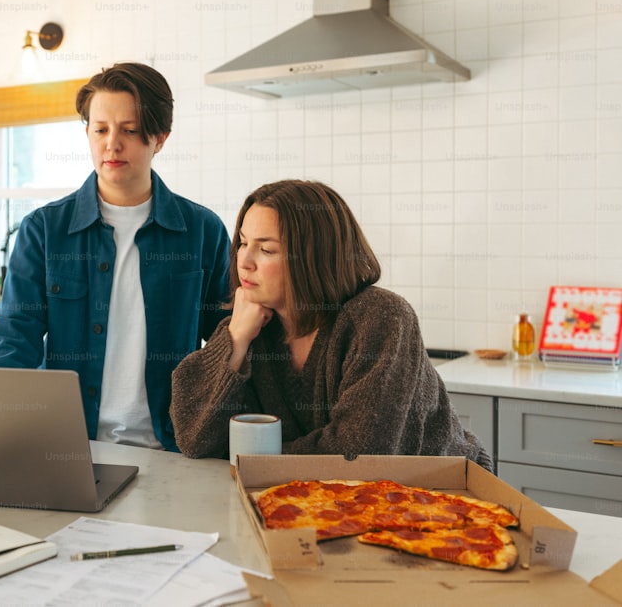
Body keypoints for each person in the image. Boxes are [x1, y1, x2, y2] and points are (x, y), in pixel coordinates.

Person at [0, 62, 231, 452]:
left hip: (175, 448)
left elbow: (227, 344)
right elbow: (13, 342)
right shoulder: (44, 230)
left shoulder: (203, 230)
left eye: (129, 131)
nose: (111, 145)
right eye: (100, 130)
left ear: (160, 138)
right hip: (71, 446)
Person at [170, 179, 492, 470]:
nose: (244, 260)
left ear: (313, 257)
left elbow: (357, 455)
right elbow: (193, 437)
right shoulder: (250, 324)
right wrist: (235, 339)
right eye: (242, 243)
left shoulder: (382, 318)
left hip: (444, 497)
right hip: (316, 499)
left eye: (266, 249)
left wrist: (251, 458)